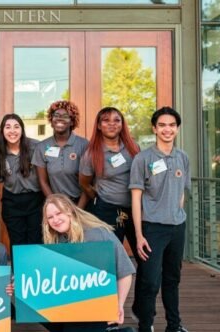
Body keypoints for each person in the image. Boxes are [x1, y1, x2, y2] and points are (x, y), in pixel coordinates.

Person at [129, 107, 190, 332]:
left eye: (172, 125)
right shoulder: (143, 159)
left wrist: (174, 213)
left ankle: (174, 325)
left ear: (177, 128)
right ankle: (146, 325)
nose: (167, 129)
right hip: (152, 228)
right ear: (154, 128)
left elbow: (182, 192)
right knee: (150, 282)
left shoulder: (183, 157)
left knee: (172, 279)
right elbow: (136, 198)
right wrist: (138, 235)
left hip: (177, 227)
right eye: (162, 125)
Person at [41, 194, 135, 332]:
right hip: (70, 308)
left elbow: (125, 272)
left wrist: (118, 305)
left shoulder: (98, 234)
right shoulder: (56, 240)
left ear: (69, 211)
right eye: (50, 217)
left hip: (97, 308)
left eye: (58, 213)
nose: (55, 220)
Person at [79, 107, 140, 245]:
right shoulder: (91, 153)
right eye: (106, 120)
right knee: (111, 254)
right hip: (108, 210)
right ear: (99, 126)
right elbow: (84, 183)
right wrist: (99, 197)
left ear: (122, 124)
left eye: (116, 120)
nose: (112, 124)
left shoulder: (133, 147)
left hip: (135, 209)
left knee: (143, 254)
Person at [0, 113, 44, 255]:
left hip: (35, 200)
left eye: (16, 127)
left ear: (22, 130)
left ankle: (35, 275)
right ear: (2, 131)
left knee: (35, 241)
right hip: (12, 202)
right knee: (17, 243)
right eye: (8, 127)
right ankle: (19, 275)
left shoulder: (36, 146)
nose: (12, 131)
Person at [32, 100, 89, 207]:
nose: (59, 118)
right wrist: (56, 206)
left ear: (72, 121)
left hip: (80, 203)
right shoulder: (42, 147)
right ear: (51, 119)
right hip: (55, 205)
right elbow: (42, 181)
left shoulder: (84, 145)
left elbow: (88, 183)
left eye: (65, 116)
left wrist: (79, 210)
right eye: (56, 115)